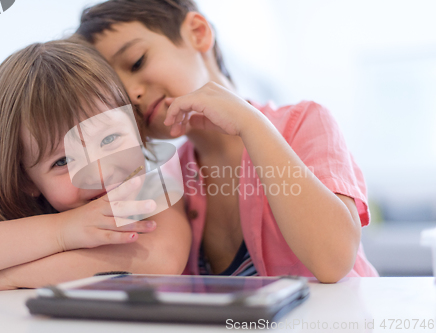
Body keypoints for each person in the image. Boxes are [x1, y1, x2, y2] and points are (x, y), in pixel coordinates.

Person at [76, 0, 379, 282]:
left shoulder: (305, 122)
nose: (131, 94)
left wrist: (249, 122)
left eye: (137, 62)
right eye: (116, 95)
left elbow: (333, 260)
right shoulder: (171, 179)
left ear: (197, 34)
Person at [0, 38, 191, 294]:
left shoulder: (155, 192)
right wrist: (62, 231)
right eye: (63, 161)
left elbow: (162, 260)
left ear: (136, 127)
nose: (100, 174)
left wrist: (6, 278)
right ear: (25, 180)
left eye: (110, 139)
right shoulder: (24, 213)